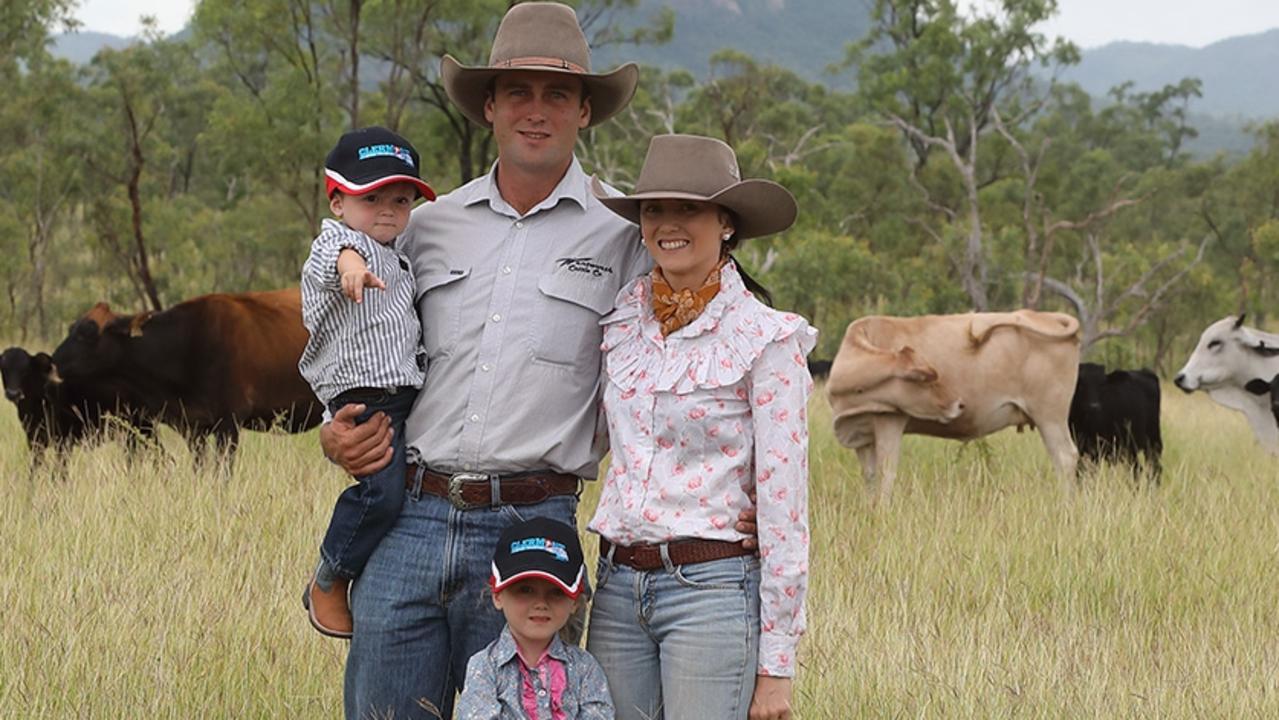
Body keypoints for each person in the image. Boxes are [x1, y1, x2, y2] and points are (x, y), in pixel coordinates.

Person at [312, 5, 750, 719]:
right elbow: (355, 336)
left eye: (556, 95)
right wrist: (333, 427)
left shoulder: (627, 235)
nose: (535, 112)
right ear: (488, 105)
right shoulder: (423, 227)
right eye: (517, 91)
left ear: (584, 111)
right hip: (409, 516)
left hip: (533, 526)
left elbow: (694, 362)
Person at [584, 134, 815, 720]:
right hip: (615, 587)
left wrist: (776, 668)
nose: (668, 224)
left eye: (689, 208)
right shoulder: (621, 320)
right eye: (655, 209)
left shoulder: (767, 338)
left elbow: (785, 504)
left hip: (711, 590)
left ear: (727, 223)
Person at [297, 126, 436, 638]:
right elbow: (331, 256)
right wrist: (349, 263)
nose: (386, 210)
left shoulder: (399, 252)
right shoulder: (341, 244)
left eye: (400, 200)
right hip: (364, 395)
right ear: (337, 201)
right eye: (370, 197)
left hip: (399, 393)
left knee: (402, 486)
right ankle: (330, 578)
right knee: (381, 494)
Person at [456, 517, 614, 719]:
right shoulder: (484, 667)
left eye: (556, 592)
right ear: (497, 595)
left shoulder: (585, 669)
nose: (541, 603)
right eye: (525, 590)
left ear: (575, 601)